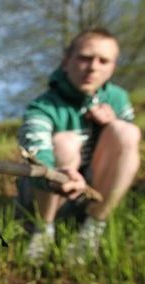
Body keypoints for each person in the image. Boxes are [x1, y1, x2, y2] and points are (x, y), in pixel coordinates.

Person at [17, 28, 141, 263]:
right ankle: (43, 229)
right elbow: (34, 150)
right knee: (64, 142)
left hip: (92, 191)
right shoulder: (42, 106)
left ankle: (92, 228)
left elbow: (125, 152)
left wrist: (111, 124)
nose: (93, 67)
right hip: (47, 191)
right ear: (66, 62)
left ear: (112, 67)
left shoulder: (118, 98)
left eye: (103, 61)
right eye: (85, 57)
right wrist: (54, 175)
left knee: (126, 131)